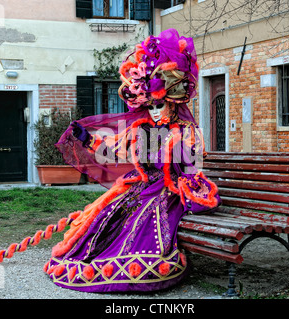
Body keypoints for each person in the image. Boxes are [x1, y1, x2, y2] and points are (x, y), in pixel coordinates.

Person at [44, 28, 220, 293]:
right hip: (140, 184)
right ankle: (94, 260)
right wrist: (86, 138)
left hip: (168, 189)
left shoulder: (185, 130)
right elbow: (113, 151)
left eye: (159, 106)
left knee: (146, 215)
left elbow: (192, 166)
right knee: (108, 214)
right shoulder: (140, 129)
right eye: (150, 107)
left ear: (172, 102)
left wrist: (188, 185)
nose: (155, 112)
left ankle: (138, 265)